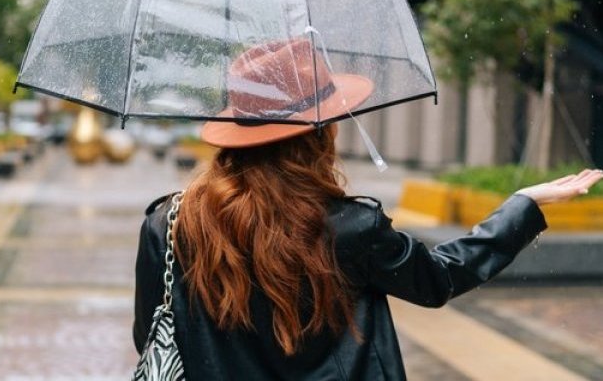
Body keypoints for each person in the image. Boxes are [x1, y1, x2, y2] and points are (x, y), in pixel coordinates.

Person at [132, 40, 603, 380]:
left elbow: (150, 334)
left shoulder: (169, 224)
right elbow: (438, 279)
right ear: (318, 134)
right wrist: (523, 205)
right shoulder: (350, 229)